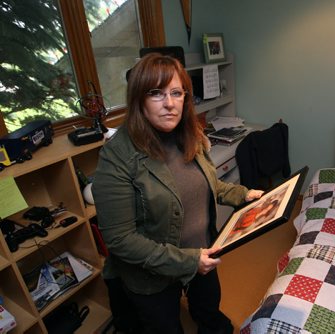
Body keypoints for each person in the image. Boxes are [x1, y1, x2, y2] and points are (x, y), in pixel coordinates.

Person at [92, 53, 264, 333]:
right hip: (153, 276)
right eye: (156, 94)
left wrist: (243, 195)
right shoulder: (117, 157)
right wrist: (188, 261)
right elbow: (120, 239)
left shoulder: (190, 135)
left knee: (209, 314)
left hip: (203, 253)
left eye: (176, 93)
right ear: (138, 99)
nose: (170, 103)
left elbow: (208, 185)